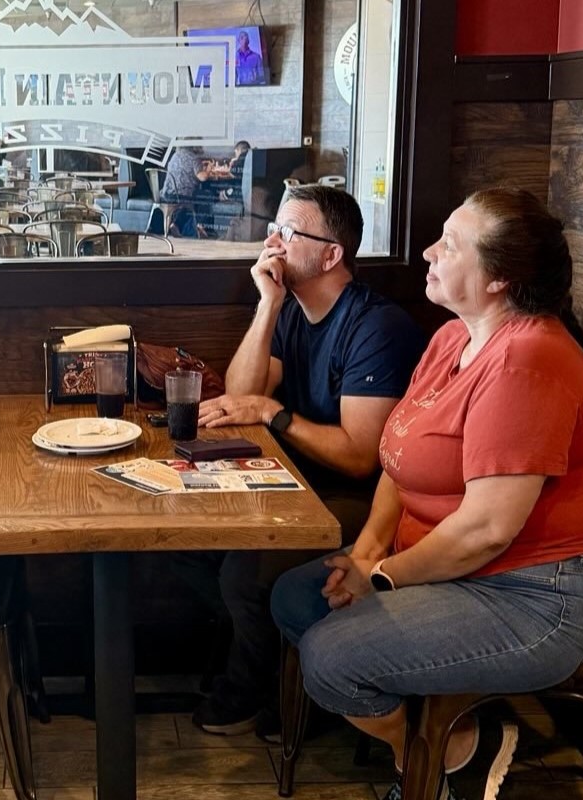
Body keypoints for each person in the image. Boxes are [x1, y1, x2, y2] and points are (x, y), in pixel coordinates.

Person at [270, 187, 583, 800]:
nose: (427, 251)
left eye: (451, 244)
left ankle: (442, 759)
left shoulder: (528, 360)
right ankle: (459, 745)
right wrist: (365, 552)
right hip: (466, 572)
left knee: (332, 659)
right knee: (295, 598)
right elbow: (398, 461)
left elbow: (488, 529)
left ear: (499, 279)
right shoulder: (451, 339)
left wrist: (382, 577)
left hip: (544, 597)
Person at [173, 185, 424, 737]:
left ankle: (264, 690)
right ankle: (275, 664)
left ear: (331, 254)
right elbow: (242, 399)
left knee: (248, 568)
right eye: (275, 229)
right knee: (185, 545)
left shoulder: (375, 328)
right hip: (298, 483)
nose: (272, 242)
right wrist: (267, 306)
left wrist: (273, 413)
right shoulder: (293, 308)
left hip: (373, 504)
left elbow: (361, 458)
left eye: (289, 233)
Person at [161, 146, 212, 237]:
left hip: (168, 193)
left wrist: (199, 165)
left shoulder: (175, 156)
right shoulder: (193, 158)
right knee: (206, 196)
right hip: (183, 195)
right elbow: (202, 177)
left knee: (187, 203)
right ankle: (200, 226)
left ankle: (176, 225)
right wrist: (208, 169)